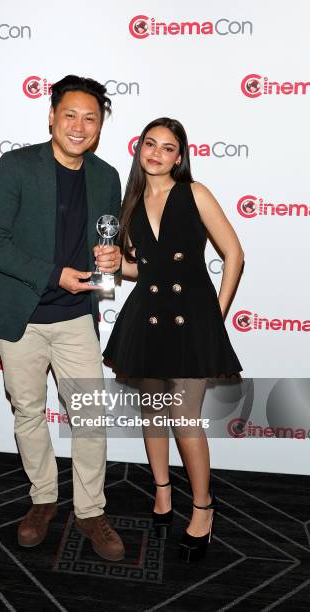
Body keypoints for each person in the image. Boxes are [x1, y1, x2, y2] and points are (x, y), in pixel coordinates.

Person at [0, 75, 125, 561]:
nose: (80, 126)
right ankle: (42, 500)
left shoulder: (106, 176)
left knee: (90, 415)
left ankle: (90, 509)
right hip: (21, 315)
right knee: (29, 412)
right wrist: (53, 273)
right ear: (52, 116)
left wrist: (110, 258)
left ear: (99, 125)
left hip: (77, 317)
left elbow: (107, 238)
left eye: (90, 118)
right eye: (70, 115)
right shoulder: (16, 167)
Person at [103, 117, 244, 562]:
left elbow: (234, 254)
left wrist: (215, 316)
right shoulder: (130, 201)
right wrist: (111, 265)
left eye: (168, 148)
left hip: (192, 318)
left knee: (186, 419)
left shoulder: (195, 193)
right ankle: (162, 492)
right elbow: (141, 269)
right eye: (150, 144)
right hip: (147, 315)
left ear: (179, 157)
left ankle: (203, 508)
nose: (157, 154)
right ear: (139, 149)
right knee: (154, 412)